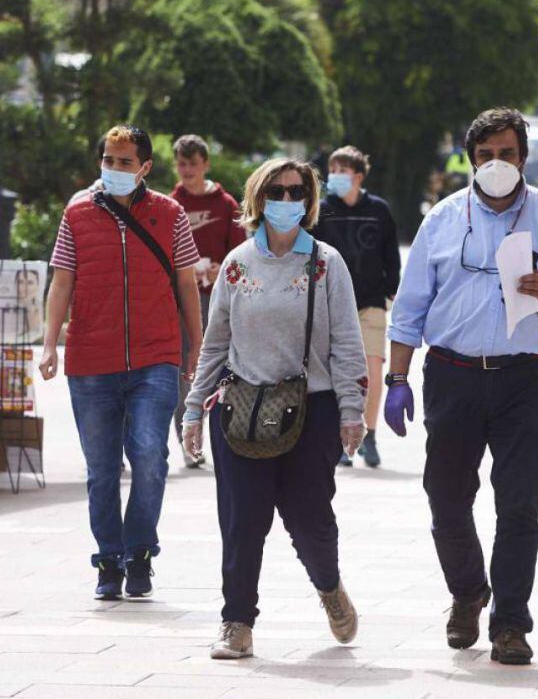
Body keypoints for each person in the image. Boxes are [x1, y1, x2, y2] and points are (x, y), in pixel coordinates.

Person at [384, 108, 538, 666]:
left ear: (524, 158)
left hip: (525, 379)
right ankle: (468, 592)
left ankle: (510, 622)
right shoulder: (441, 219)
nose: (496, 165)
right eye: (485, 156)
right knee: (445, 498)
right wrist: (396, 379)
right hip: (453, 376)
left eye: (507, 154)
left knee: (519, 506)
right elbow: (410, 308)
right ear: (470, 159)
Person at [182, 158, 367, 659]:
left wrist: (353, 409)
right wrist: (195, 408)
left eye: (296, 192)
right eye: (276, 191)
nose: (286, 201)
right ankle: (237, 622)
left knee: (309, 520)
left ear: (308, 201)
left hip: (313, 412)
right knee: (242, 521)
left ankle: (329, 587)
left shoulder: (326, 263)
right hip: (242, 410)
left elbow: (347, 342)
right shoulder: (238, 264)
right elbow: (215, 343)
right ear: (257, 198)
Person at [40, 125, 204, 601]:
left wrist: (197, 344)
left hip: (156, 356)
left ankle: (141, 552)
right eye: (108, 160)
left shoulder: (170, 215)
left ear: (146, 168)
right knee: (102, 468)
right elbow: (62, 282)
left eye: (124, 162)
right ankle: (109, 559)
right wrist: (51, 344)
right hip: (92, 359)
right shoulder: (77, 213)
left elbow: (187, 283)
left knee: (151, 457)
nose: (113, 169)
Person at [314, 145, 401, 468]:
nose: (335, 176)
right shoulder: (322, 210)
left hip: (370, 302)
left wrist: (392, 291)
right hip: (331, 303)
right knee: (338, 373)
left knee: (372, 368)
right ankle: (343, 437)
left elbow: (391, 254)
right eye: (332, 170)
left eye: (342, 170)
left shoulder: (378, 210)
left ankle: (371, 435)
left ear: (359, 176)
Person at [170, 134, 246, 468]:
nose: (187, 170)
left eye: (193, 163)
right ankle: (189, 442)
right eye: (182, 163)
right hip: (181, 300)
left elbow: (242, 255)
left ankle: (225, 439)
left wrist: (221, 270)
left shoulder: (226, 205)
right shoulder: (170, 203)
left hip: (218, 300)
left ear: (206, 165)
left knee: (220, 370)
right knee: (184, 372)